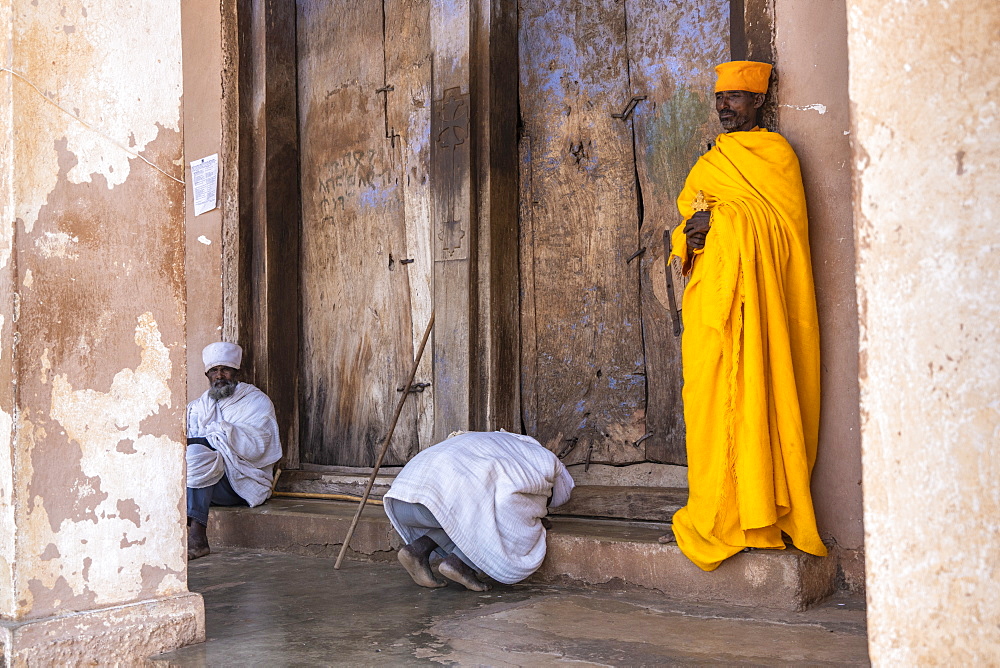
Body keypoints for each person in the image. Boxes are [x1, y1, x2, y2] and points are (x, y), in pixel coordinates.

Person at [666, 61, 827, 571]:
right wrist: (690, 237)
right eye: (720, 98)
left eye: (735, 97)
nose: (724, 106)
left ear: (758, 100)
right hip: (715, 311)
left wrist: (728, 220)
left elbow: (787, 239)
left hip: (760, 312)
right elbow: (684, 231)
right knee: (709, 406)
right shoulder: (709, 164)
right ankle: (718, 513)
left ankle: (761, 514)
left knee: (761, 398)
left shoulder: (777, 157)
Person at [384, 431, 574, 591]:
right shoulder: (542, 463)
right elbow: (509, 510)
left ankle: (417, 551)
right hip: (432, 504)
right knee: (502, 521)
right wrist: (534, 520)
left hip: (401, 501)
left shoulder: (494, 442)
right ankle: (462, 563)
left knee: (462, 515)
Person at [186, 342, 282, 560]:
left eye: (225, 369)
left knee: (195, 454)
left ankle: (197, 536)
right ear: (207, 375)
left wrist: (218, 435)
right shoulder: (197, 406)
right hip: (202, 485)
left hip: (238, 481)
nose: (219, 375)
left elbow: (258, 444)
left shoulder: (256, 401)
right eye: (214, 370)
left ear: (237, 372)